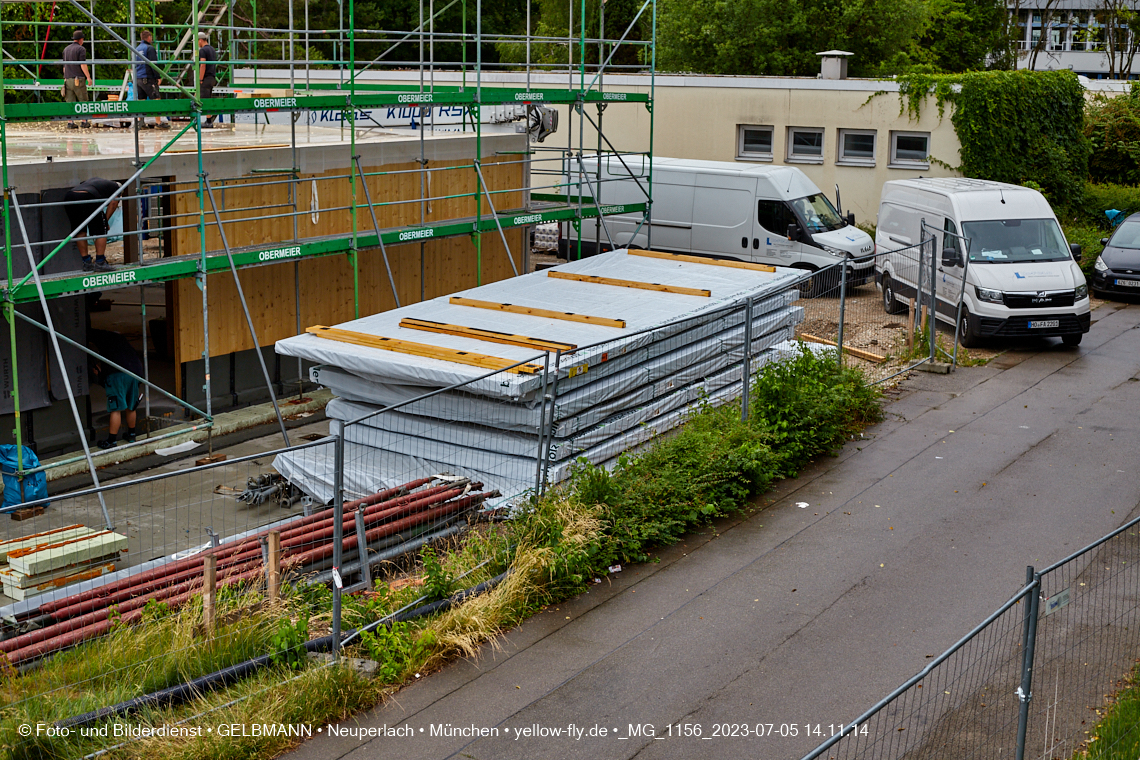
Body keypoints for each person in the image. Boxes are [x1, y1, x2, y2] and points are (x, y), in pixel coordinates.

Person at [89, 330, 145, 449]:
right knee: (131, 405)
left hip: (117, 374)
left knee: (116, 408)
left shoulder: (102, 342)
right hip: (134, 372)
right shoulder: (122, 342)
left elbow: (105, 369)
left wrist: (99, 373)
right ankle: (131, 434)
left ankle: (111, 440)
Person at [63, 177, 120, 272]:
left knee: (80, 230)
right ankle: (100, 262)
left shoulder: (95, 181)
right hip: (88, 196)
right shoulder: (116, 187)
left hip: (70, 196)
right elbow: (113, 203)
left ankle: (87, 262)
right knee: (101, 230)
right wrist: (105, 220)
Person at [134, 29, 168, 129]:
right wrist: (157, 77)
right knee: (156, 99)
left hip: (138, 78)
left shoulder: (137, 48)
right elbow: (153, 64)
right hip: (148, 78)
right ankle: (158, 122)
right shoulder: (149, 48)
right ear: (149, 38)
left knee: (141, 100)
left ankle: (141, 122)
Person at [63, 30, 92, 129]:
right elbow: (82, 64)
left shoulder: (66, 49)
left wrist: (65, 78)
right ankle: (84, 121)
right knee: (83, 100)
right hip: (78, 79)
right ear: (81, 39)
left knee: (70, 101)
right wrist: (88, 77)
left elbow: (64, 66)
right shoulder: (81, 49)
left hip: (67, 79)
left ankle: (70, 122)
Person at [197, 31, 218, 128]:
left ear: (200, 40)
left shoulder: (202, 51)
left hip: (206, 78)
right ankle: (208, 120)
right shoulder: (212, 49)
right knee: (208, 98)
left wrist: (200, 79)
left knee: (204, 99)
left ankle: (208, 121)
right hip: (212, 77)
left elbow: (203, 65)